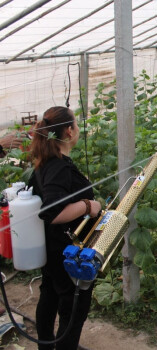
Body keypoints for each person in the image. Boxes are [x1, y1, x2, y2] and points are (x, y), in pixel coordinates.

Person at [29, 106, 101, 350]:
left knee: (49, 295)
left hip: (49, 249)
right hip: (65, 252)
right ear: (69, 131)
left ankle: (45, 347)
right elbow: (52, 211)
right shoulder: (58, 167)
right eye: (76, 125)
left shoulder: (45, 162)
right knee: (73, 309)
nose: (78, 129)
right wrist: (87, 205)